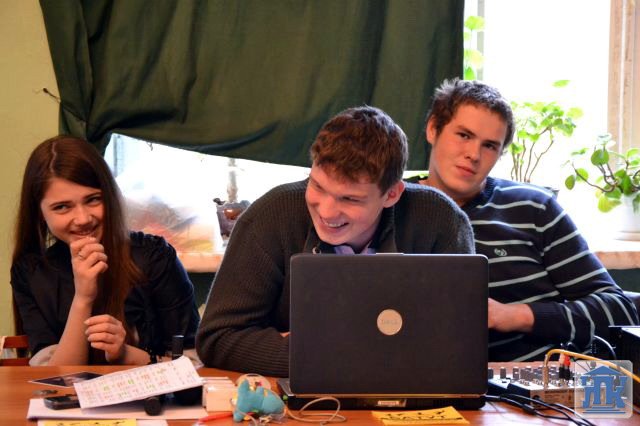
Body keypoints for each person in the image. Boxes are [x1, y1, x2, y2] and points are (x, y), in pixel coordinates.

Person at [196, 106, 475, 377]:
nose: (327, 212)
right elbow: (217, 338)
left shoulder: (442, 221)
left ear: (391, 194)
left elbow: (461, 341)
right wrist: (332, 356)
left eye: (350, 199)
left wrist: (319, 349)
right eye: (317, 186)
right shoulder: (271, 217)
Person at [415, 78, 639, 361]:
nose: (473, 154)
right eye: (464, 135)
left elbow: (620, 311)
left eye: (490, 146)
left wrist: (515, 316)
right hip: (419, 378)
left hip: (537, 378)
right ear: (433, 129)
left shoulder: (534, 208)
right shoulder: (389, 206)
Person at [11, 135, 200, 365]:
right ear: (40, 212)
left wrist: (125, 353)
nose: (83, 218)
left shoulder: (155, 257)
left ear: (109, 196)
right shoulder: (30, 272)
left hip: (151, 389)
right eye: (62, 207)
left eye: (93, 200)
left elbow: (192, 364)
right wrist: (83, 298)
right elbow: (52, 375)